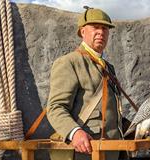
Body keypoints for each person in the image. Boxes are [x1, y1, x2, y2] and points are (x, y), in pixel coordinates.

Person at [47, 6, 123, 160]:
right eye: (95, 27)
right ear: (82, 31)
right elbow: (56, 108)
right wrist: (74, 132)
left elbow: (110, 114)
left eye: (105, 28)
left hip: (111, 151)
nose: (101, 32)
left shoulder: (108, 67)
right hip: (85, 152)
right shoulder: (69, 62)